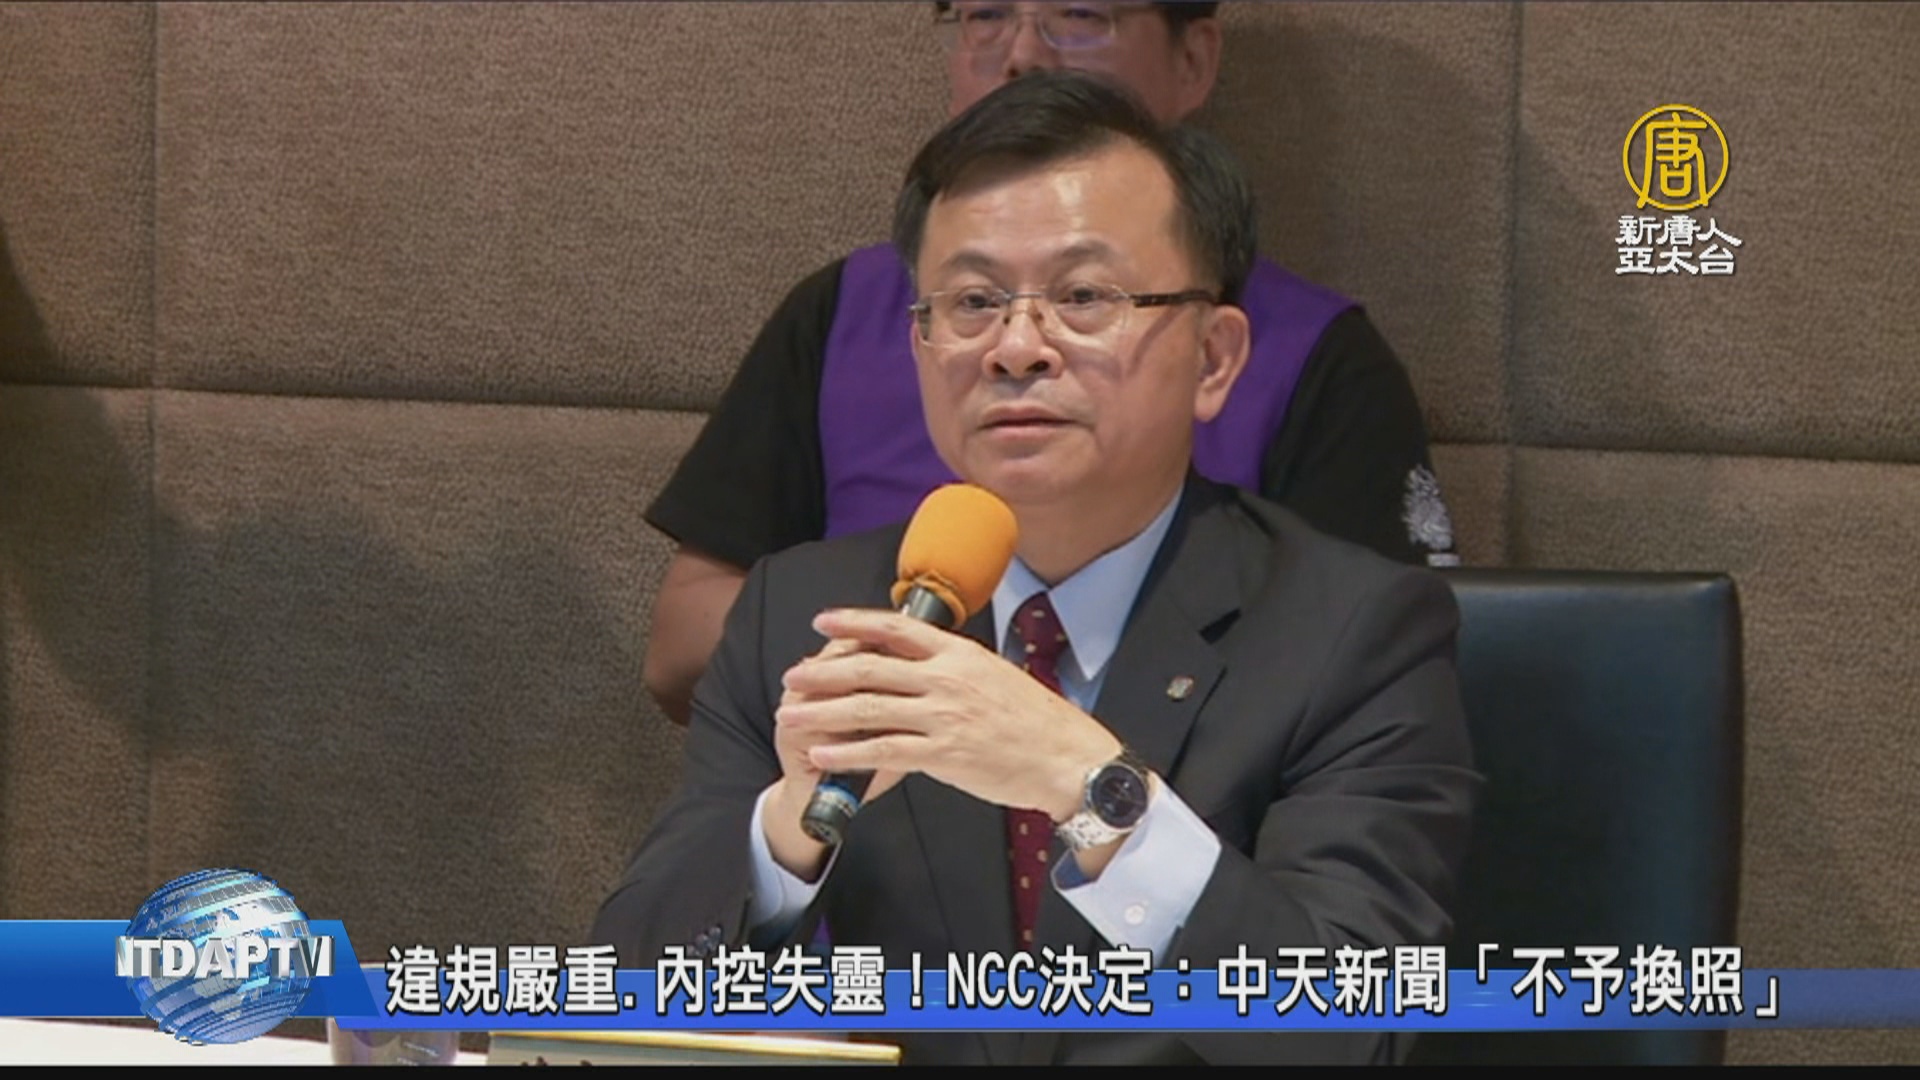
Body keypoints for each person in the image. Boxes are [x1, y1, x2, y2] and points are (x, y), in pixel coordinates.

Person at [594, 70, 1478, 1066]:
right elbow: (617, 1002)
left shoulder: (1355, 629)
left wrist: (1088, 785)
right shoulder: (806, 612)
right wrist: (785, 833)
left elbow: (1357, 1035)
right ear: (921, 347)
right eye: (972, 303)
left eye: (1083, 297)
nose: (1016, 348)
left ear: (1214, 359)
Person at [642, 1, 1457, 726]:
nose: (1024, 53)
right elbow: (685, 643)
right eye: (985, 15)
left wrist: (1052, 709)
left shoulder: (1316, 354)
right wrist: (920, 674)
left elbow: (1374, 672)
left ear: (1193, 58)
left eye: (1080, 16)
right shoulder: (841, 312)